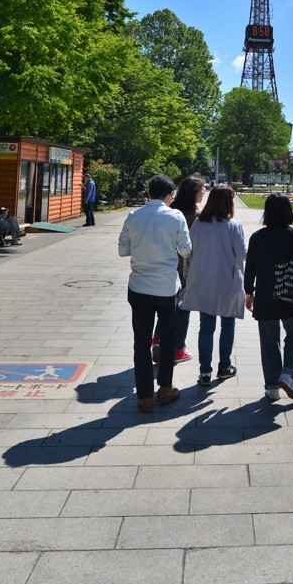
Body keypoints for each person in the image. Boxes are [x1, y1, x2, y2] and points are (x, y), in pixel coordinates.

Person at [118, 174, 192, 412]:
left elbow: (122, 250)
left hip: (139, 286)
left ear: (148, 193)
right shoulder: (176, 216)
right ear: (170, 195)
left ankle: (144, 396)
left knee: (140, 342)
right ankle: (165, 388)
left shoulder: (133, 216)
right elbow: (186, 250)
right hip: (166, 287)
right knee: (168, 338)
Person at [244, 193, 293, 402]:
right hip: (290, 294)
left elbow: (250, 268)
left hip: (265, 295)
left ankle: (272, 387)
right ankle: (288, 373)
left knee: (269, 341)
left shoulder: (257, 237)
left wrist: (249, 292)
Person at [182, 186, 248, 386]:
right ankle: (224, 366)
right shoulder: (232, 225)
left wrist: (188, 276)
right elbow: (243, 254)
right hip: (227, 282)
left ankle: (204, 371)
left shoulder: (198, 224)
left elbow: (188, 253)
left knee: (206, 327)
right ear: (227, 203)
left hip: (203, 281)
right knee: (228, 324)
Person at [151, 175, 206, 365]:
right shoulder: (195, 216)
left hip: (165, 266)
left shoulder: (171, 210)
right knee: (183, 310)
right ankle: (178, 349)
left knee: (167, 308)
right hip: (184, 269)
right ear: (194, 192)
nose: (204, 192)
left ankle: (157, 340)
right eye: (202, 189)